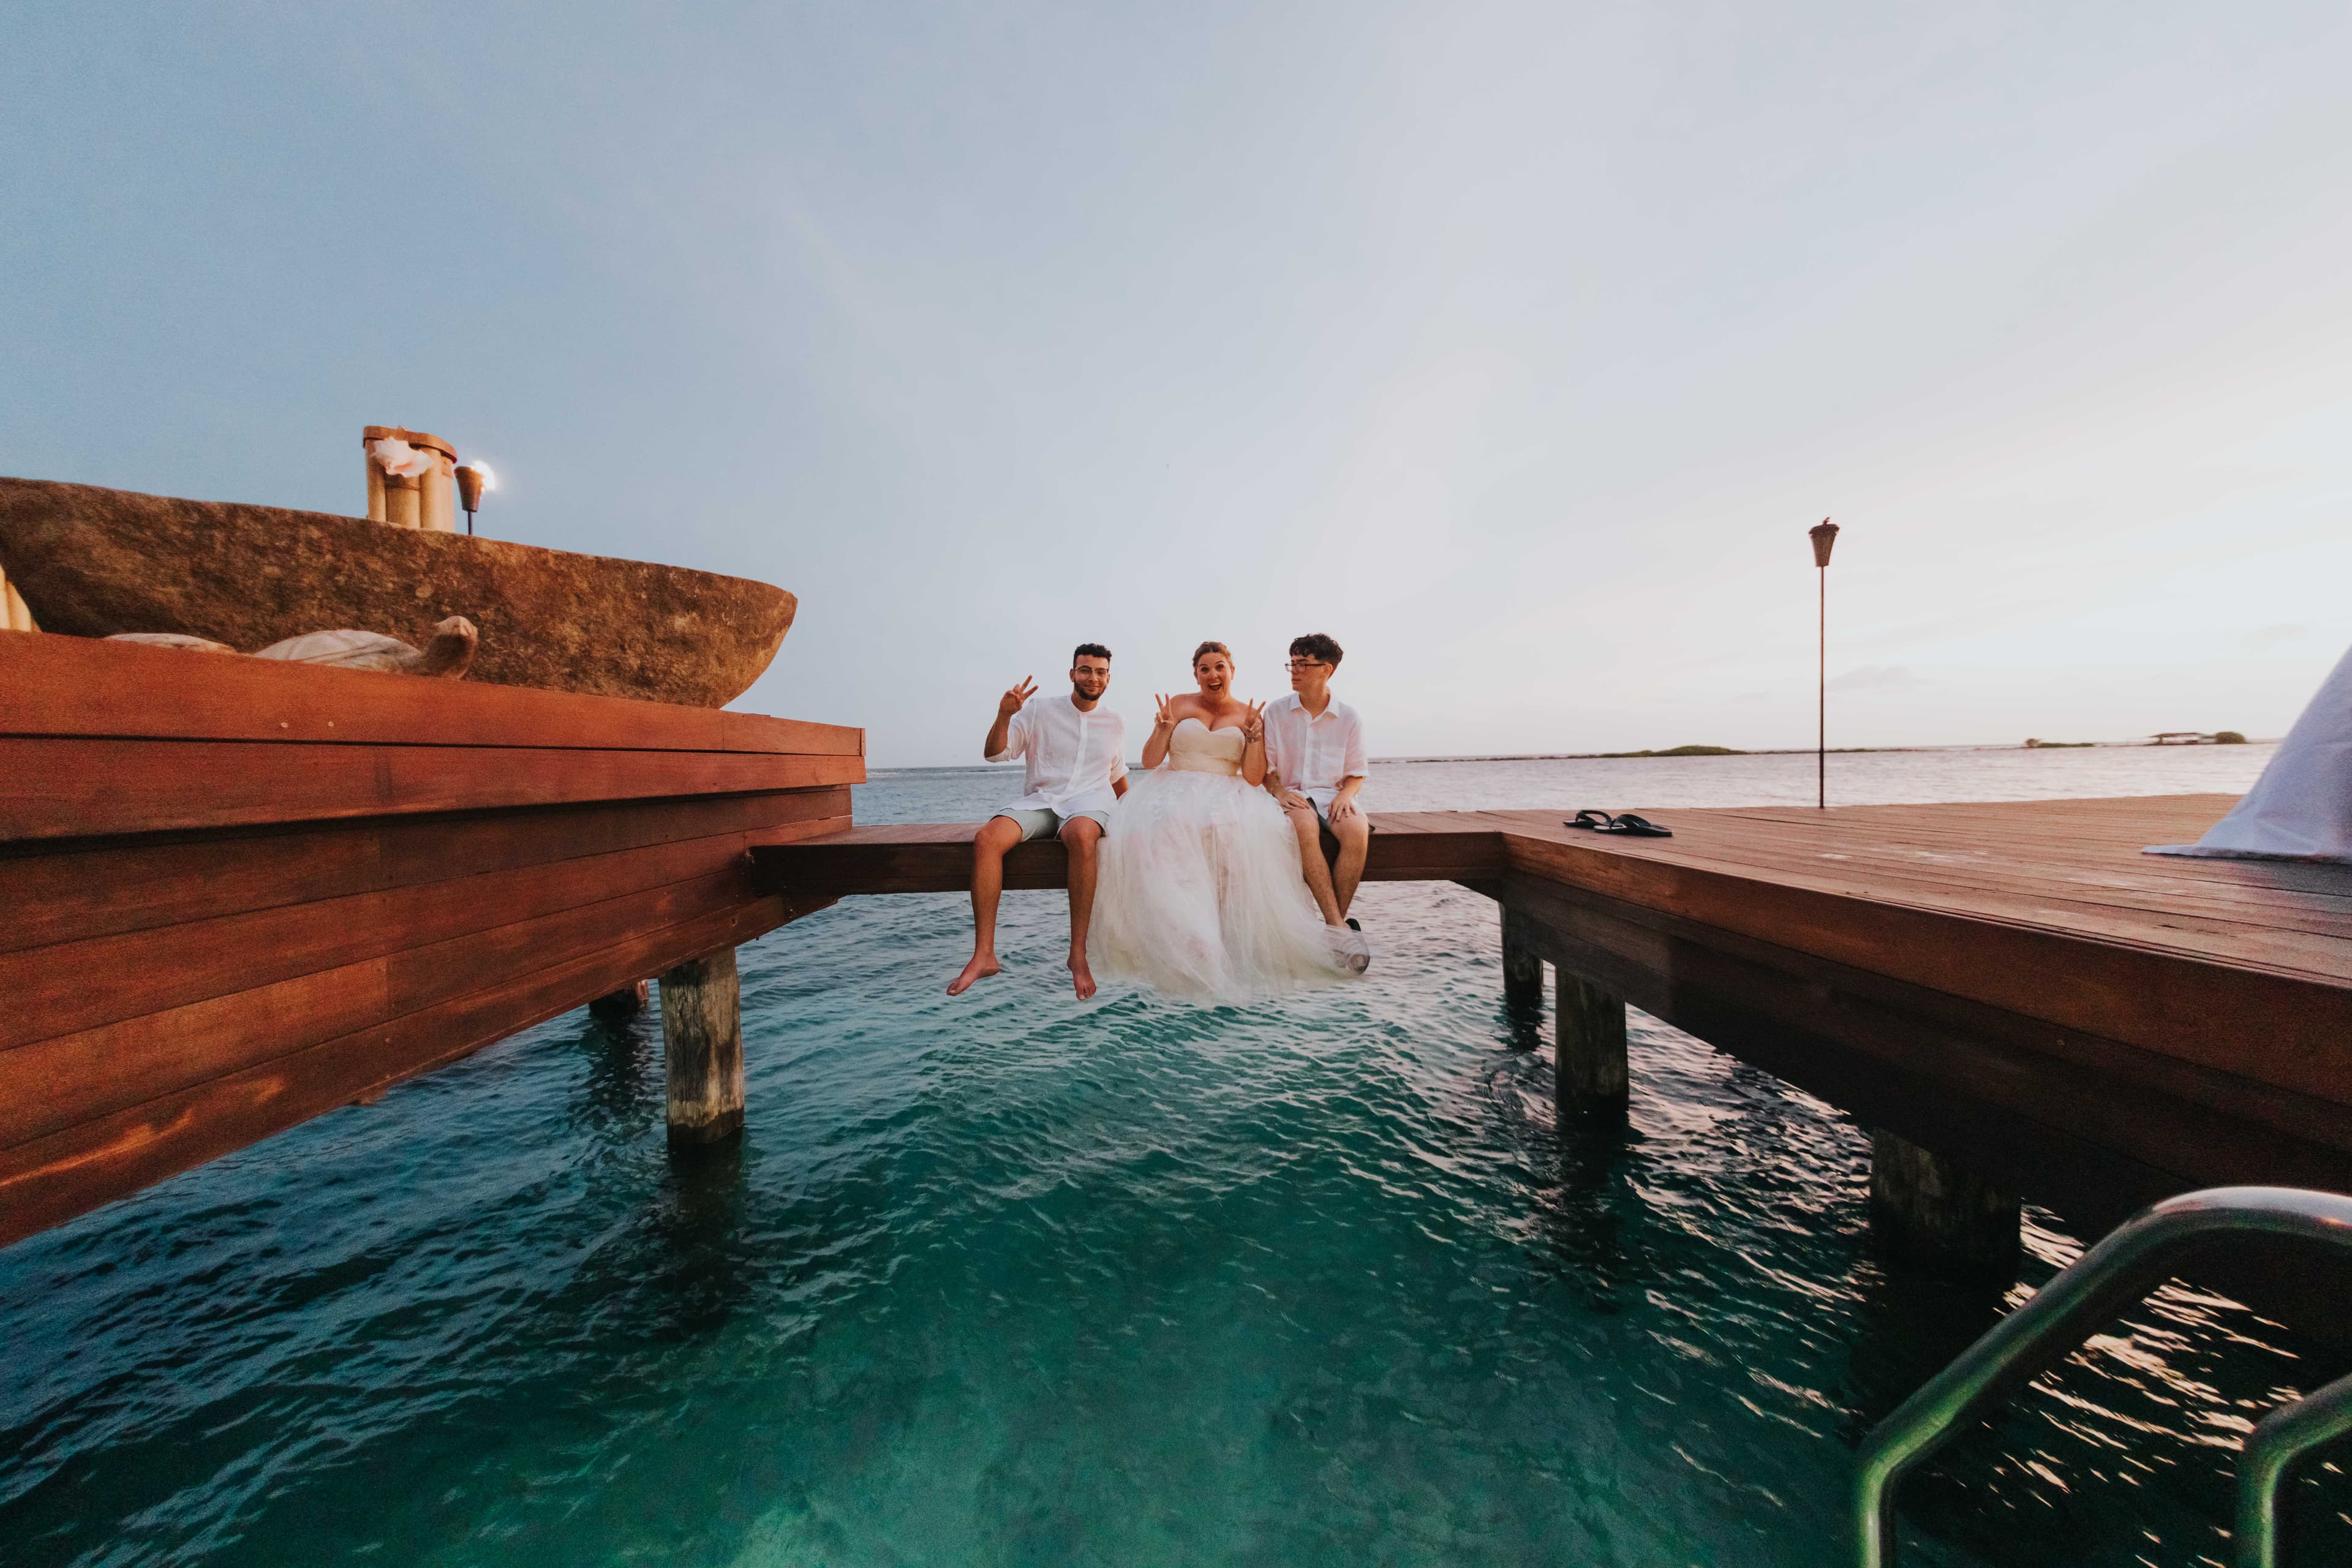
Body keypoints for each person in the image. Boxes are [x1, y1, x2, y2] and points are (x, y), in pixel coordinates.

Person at [1088, 641, 1361, 1005]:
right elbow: (1151, 761)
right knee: (1160, 839)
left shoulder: (1251, 715)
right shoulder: (1178, 705)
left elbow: (1252, 778)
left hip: (1227, 792)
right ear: (1196, 674)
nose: (1212, 675)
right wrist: (1162, 729)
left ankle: (1240, 941)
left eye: (1219, 667)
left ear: (1232, 671)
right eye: (1204, 668)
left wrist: (1252, 741)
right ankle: (1186, 941)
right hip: (1174, 786)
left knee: (1238, 840)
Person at [948, 644, 1127, 1000]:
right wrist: (1003, 715)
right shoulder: (1040, 709)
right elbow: (995, 753)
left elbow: (1118, 776)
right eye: (1086, 670)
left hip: (1089, 804)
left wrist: (1138, 817)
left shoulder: (1115, 722)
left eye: (1101, 672)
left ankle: (1078, 955)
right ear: (1073, 673)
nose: (1093, 677)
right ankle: (984, 954)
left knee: (1080, 835)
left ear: (1108, 677)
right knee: (987, 838)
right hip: (1042, 801)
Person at [1262, 632, 1371, 929]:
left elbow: (1356, 773)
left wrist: (1346, 796)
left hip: (1332, 796)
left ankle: (1331, 925)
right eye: (1293, 664)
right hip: (1292, 796)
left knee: (1358, 831)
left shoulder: (1349, 717)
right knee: (1304, 826)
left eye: (1304, 664)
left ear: (1327, 670)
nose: (1295, 671)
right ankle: (1338, 927)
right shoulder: (1274, 712)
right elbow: (1266, 769)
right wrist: (1278, 790)